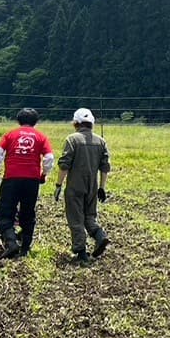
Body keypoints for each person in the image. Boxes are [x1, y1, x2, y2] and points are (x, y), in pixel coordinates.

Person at [0, 107, 55, 258]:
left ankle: (11, 243)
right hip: (32, 180)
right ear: (36, 122)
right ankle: (25, 248)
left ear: (18, 121)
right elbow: (49, 158)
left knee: (3, 213)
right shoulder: (41, 137)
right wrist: (44, 174)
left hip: (11, 178)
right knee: (27, 213)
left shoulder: (10, 135)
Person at [54, 107, 110, 264]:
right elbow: (105, 166)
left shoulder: (72, 140)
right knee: (89, 216)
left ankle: (81, 252)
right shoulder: (100, 141)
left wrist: (58, 185)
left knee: (76, 218)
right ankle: (100, 236)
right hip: (93, 186)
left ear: (76, 123)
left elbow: (64, 165)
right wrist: (102, 187)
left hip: (75, 186)